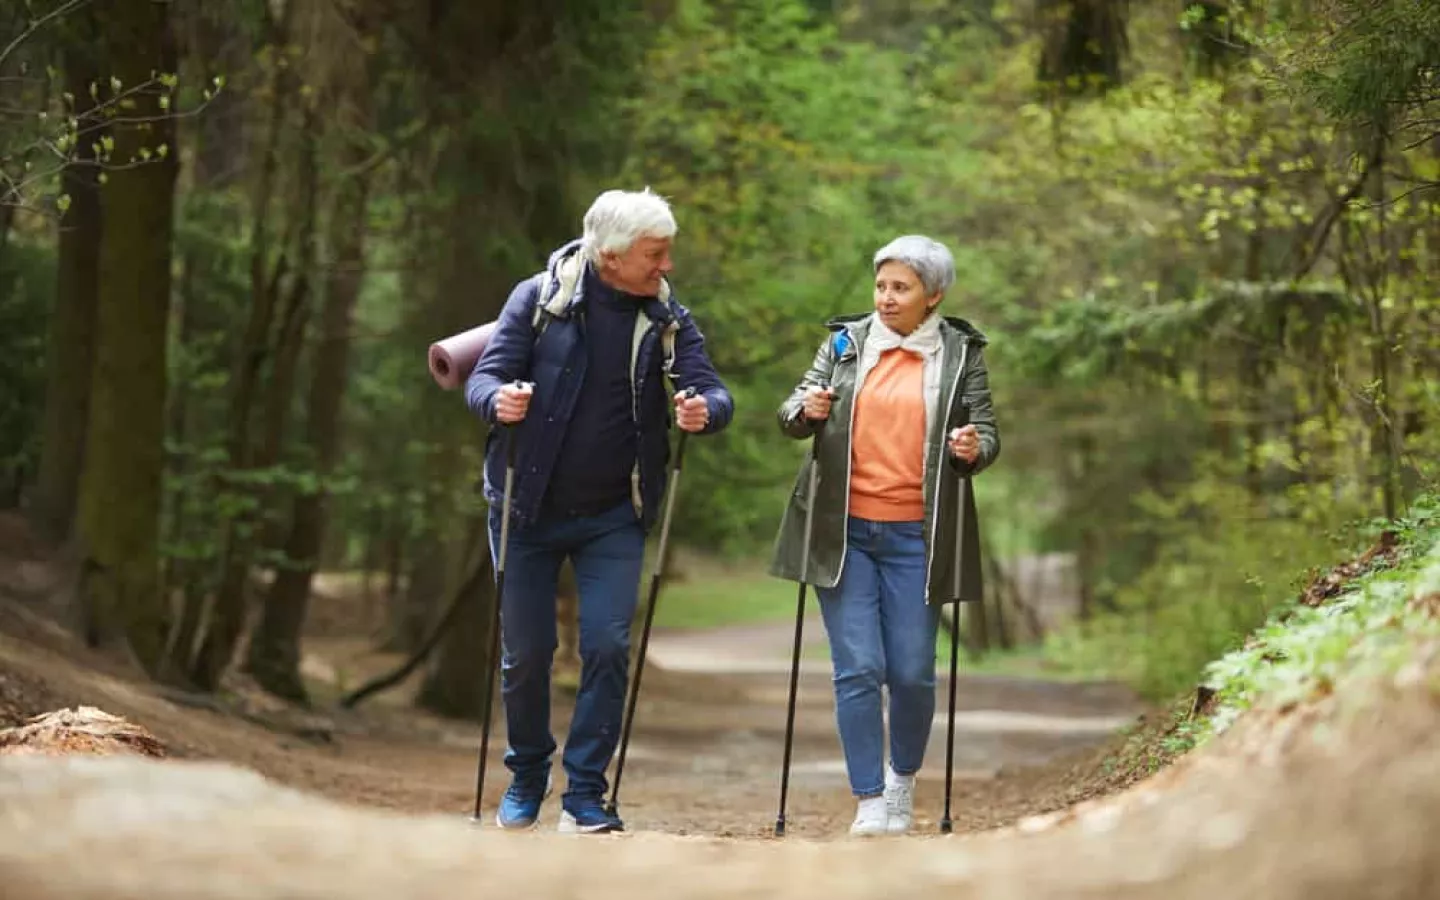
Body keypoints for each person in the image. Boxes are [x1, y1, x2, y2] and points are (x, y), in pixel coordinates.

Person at [466, 188, 734, 834]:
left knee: (609, 645)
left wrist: (705, 411)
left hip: (615, 510)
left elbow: (714, 390)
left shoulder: (666, 317)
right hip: (527, 507)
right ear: (611, 257)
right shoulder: (538, 301)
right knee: (527, 653)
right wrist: (498, 400)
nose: (666, 265)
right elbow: (483, 379)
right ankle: (528, 775)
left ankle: (586, 792)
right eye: (655, 254)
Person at [769, 234, 999, 836]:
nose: (887, 299)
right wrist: (807, 409)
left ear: (933, 295)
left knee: (913, 672)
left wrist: (972, 449)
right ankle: (869, 797)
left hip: (917, 538)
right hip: (842, 533)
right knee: (858, 668)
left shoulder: (959, 351)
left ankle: (902, 779)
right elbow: (792, 411)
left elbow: (987, 432)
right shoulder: (846, 344)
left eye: (901, 288)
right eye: (881, 286)